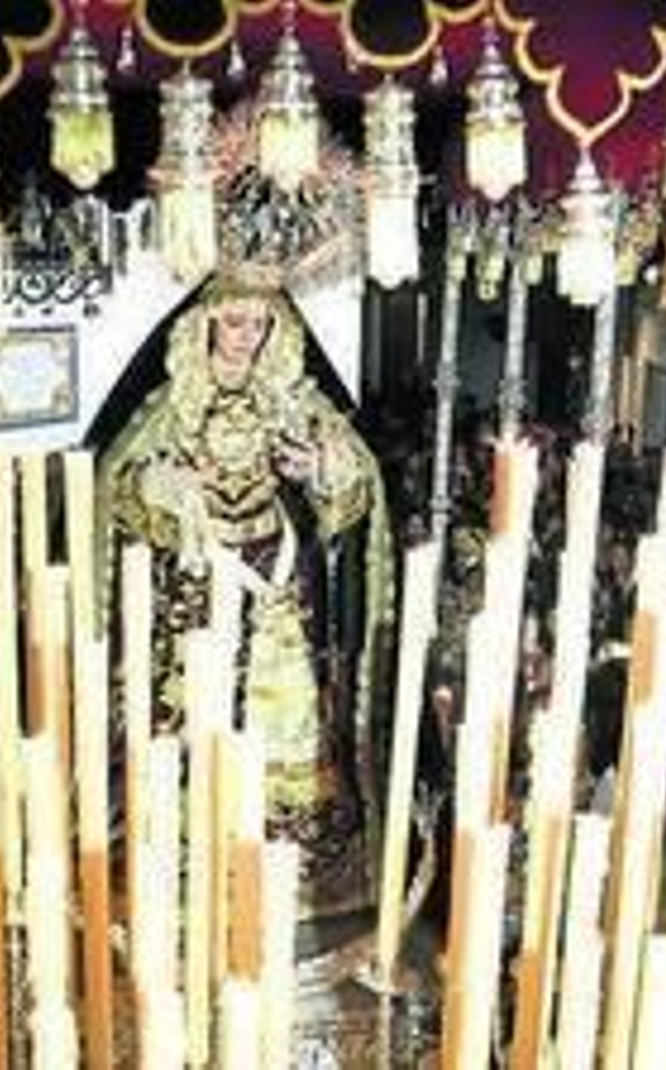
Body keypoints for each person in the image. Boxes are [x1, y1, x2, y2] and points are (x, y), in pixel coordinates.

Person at [101, 277, 392, 916]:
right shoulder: (172, 403)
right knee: (197, 705)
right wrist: (163, 485)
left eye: (259, 325)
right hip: (197, 586)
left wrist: (321, 469)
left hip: (277, 582)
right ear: (203, 325)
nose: (245, 339)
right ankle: (191, 831)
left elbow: (356, 482)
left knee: (282, 710)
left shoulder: (294, 398)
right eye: (233, 323)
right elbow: (116, 485)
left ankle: (284, 837)